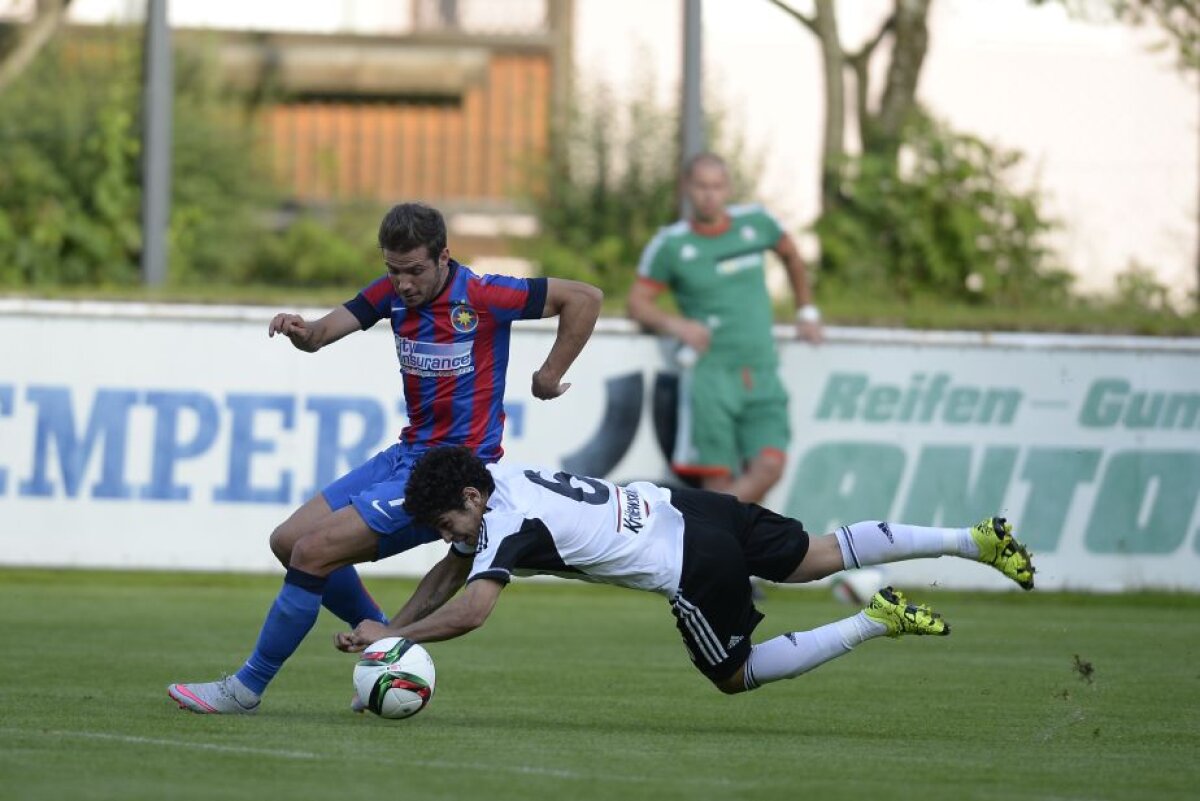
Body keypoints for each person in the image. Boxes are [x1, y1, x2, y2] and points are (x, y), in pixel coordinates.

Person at [168, 203, 603, 714]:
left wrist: (549, 375)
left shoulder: (484, 294)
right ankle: (386, 653)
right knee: (287, 542)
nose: (403, 284)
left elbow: (585, 298)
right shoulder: (389, 294)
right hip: (406, 453)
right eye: (393, 271)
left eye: (415, 270)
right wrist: (300, 329)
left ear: (444, 257)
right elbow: (322, 335)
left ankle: (245, 689)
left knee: (313, 553)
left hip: (452, 473)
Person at [335, 446, 1035, 696]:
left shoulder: (505, 522)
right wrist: (390, 626)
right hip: (690, 508)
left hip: (691, 561)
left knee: (734, 675)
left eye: (447, 523)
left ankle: (873, 618)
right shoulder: (502, 482)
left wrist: (394, 642)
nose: (448, 536)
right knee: (818, 554)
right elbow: (450, 571)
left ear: (469, 497)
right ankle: (972, 539)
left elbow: (471, 609)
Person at [627, 152, 821, 504]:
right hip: (710, 375)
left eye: (717, 186)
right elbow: (637, 303)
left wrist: (806, 310)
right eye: (701, 186)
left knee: (769, 466)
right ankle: (726, 545)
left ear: (728, 188)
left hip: (761, 369)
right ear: (687, 188)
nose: (709, 195)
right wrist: (677, 325)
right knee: (717, 481)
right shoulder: (671, 244)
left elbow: (792, 255)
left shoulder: (757, 223)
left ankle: (715, 528)